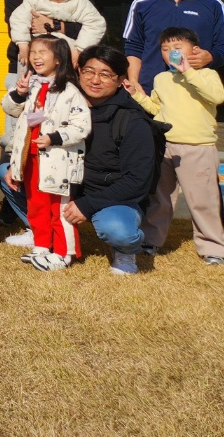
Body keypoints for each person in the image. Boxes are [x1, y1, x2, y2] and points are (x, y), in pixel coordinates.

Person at [129, 27, 224, 265]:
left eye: (177, 48)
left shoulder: (207, 74)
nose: (170, 53)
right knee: (160, 197)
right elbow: (157, 108)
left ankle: (213, 248)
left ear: (195, 50)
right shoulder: (162, 78)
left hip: (198, 146)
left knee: (203, 200)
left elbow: (217, 97)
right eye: (165, 49)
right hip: (166, 145)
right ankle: (150, 240)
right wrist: (136, 95)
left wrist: (189, 72)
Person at [66, 45, 159, 276]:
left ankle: (125, 250)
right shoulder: (65, 106)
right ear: (79, 72)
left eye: (105, 74)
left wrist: (87, 205)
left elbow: (137, 181)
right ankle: (42, 232)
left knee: (118, 230)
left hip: (114, 197)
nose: (95, 80)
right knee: (6, 173)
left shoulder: (133, 121)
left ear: (120, 81)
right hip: (68, 187)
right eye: (89, 71)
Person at [1, 36, 91, 271]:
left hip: (57, 160)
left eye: (42, 52)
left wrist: (55, 138)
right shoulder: (31, 85)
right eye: (33, 52)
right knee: (36, 205)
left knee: (59, 208)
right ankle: (42, 245)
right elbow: (9, 108)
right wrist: (19, 93)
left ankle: (64, 252)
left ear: (59, 59)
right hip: (30, 157)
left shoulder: (69, 91)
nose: (36, 57)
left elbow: (82, 126)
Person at [9, 0, 106, 65]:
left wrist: (79, 50)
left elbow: (95, 24)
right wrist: (22, 43)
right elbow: (19, 18)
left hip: (67, 57)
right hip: (36, 56)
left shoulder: (80, 3)